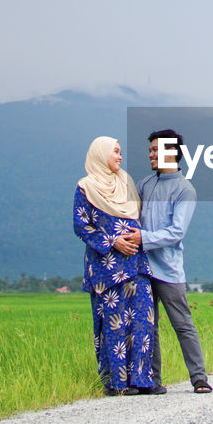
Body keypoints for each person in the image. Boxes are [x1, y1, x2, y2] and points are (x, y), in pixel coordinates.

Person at [118, 128, 212, 394]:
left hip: (168, 269)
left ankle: (199, 379)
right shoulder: (146, 185)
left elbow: (176, 232)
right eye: (149, 150)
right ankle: (151, 380)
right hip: (142, 269)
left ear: (172, 152)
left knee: (182, 324)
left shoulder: (185, 190)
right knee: (148, 325)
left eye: (155, 150)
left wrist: (142, 238)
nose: (150, 154)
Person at [72, 136, 156, 396]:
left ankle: (141, 380)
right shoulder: (86, 187)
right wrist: (113, 241)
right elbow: (81, 225)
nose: (120, 157)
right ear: (100, 154)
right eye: (115, 152)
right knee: (113, 323)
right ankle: (117, 383)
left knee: (143, 321)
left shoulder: (127, 183)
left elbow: (139, 218)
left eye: (121, 153)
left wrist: (136, 239)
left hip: (136, 264)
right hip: (106, 268)